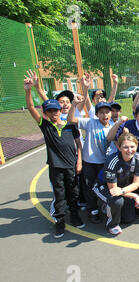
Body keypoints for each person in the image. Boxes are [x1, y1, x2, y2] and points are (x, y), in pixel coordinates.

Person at [24, 77, 84, 238]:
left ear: (60, 110)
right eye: (49, 111)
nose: (54, 113)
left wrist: (79, 161)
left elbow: (79, 145)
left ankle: (75, 215)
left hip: (71, 165)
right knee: (60, 196)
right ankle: (60, 222)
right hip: (56, 167)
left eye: (56, 110)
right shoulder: (46, 126)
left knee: (74, 193)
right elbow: (30, 107)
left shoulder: (70, 126)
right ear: (46, 113)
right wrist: (28, 90)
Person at [68, 98, 113, 224]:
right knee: (89, 187)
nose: (105, 115)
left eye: (107, 112)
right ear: (97, 114)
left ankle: (105, 206)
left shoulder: (113, 127)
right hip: (89, 162)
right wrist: (74, 104)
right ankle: (93, 210)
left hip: (104, 163)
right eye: (102, 112)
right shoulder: (91, 123)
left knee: (104, 187)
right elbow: (71, 120)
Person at [93, 132, 139, 235]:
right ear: (119, 147)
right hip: (103, 187)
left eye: (132, 146)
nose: (129, 150)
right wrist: (134, 195)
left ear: (137, 145)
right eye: (125, 147)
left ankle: (111, 208)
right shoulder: (112, 161)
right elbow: (113, 190)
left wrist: (123, 191)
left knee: (128, 219)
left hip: (121, 188)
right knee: (116, 201)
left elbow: (136, 184)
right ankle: (111, 224)